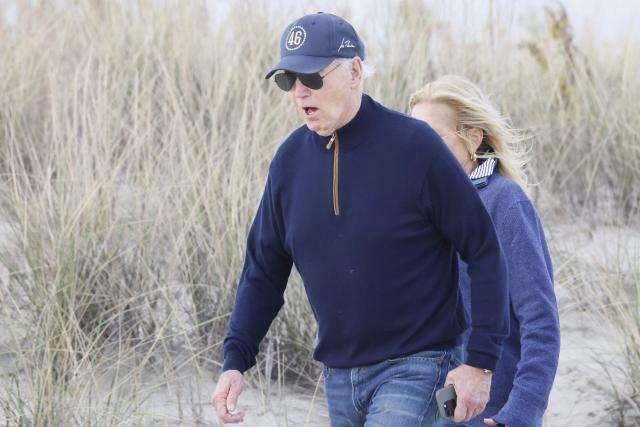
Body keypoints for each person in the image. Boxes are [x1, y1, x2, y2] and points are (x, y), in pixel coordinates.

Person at [212, 13, 510, 426]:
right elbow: (263, 271)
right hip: (338, 375)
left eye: (312, 77)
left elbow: (483, 248)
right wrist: (235, 361)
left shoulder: (415, 147)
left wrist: (481, 362)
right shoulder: (289, 162)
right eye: (288, 80)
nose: (299, 92)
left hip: (420, 364)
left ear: (354, 71)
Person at [409, 75, 561, 427]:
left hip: (490, 411)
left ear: (473, 138)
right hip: (426, 407)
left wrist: (519, 414)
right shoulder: (419, 209)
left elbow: (541, 321)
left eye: (434, 138)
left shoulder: (504, 203)